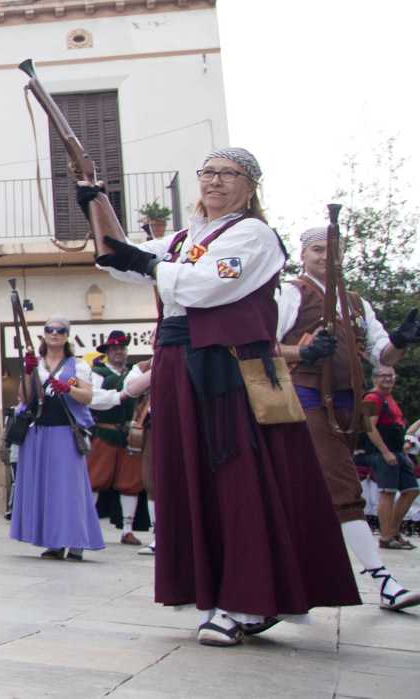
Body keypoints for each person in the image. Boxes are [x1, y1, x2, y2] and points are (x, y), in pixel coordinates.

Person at [91, 148, 361, 645]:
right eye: (208, 173)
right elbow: (120, 260)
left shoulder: (252, 235)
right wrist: (94, 198)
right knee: (188, 478)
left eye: (228, 174)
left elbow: (201, 286)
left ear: (251, 184)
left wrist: (147, 262)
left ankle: (248, 597)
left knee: (236, 476)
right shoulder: (186, 235)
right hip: (178, 364)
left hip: (226, 367)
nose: (214, 182)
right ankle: (216, 592)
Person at [276, 226, 420, 607]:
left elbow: (382, 355)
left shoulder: (356, 303)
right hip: (305, 401)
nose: (326, 256)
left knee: (315, 494)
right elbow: (263, 346)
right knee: (345, 491)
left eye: (333, 250)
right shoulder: (292, 294)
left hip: (347, 408)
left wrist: (401, 342)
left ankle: (289, 580)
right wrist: (302, 353)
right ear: (303, 255)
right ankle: (384, 580)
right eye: (318, 250)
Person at [8, 316, 103, 561]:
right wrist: (28, 371)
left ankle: (77, 541)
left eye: (60, 330)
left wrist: (68, 388)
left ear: (66, 335)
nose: (55, 333)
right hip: (39, 432)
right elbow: (24, 397)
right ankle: (54, 542)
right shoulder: (37, 364)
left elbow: (87, 396)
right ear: (45, 334)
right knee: (47, 490)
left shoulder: (76, 366)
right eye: (50, 329)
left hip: (65, 432)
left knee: (69, 489)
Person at [86, 331, 147, 546]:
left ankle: (127, 529)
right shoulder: (97, 373)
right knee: (94, 479)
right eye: (114, 349)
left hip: (129, 434)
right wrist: (117, 396)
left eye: (121, 348)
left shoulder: (134, 373)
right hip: (104, 430)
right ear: (107, 352)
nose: (118, 352)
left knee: (130, 482)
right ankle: (88, 527)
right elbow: (91, 399)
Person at [366, 368, 418, 551]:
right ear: (374, 378)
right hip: (382, 452)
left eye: (390, 375)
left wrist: (402, 454)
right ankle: (386, 536)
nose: (388, 378)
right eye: (383, 375)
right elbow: (368, 427)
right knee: (387, 492)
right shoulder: (371, 399)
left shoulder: (390, 398)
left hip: (398, 452)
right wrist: (385, 452)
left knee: (411, 490)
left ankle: (393, 531)